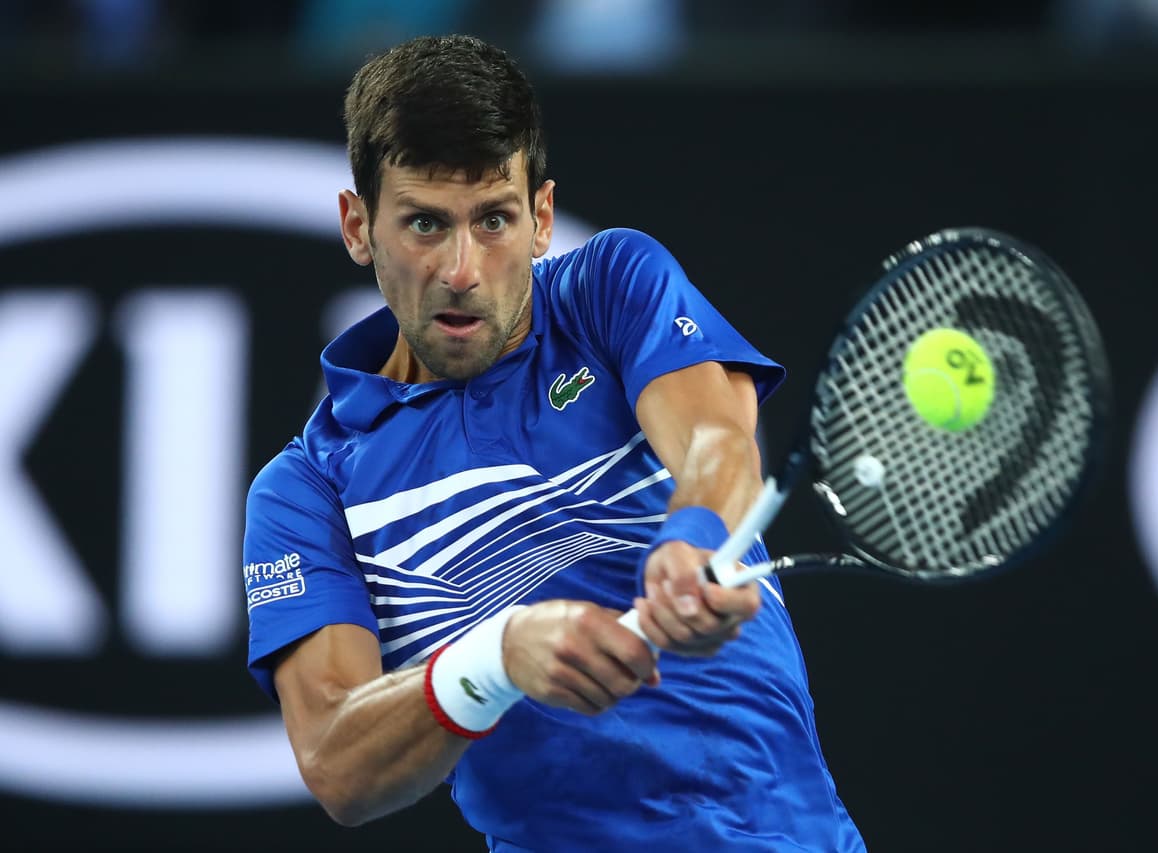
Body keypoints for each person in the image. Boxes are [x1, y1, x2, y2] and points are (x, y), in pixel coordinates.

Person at [242, 33, 864, 852]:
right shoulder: (306, 490)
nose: (462, 268)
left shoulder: (610, 288)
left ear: (541, 218)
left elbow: (718, 436)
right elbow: (335, 762)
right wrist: (495, 657)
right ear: (358, 226)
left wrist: (691, 540)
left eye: (493, 220)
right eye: (425, 223)